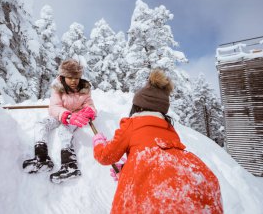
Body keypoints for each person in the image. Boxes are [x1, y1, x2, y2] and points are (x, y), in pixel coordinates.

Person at [92, 69, 223, 214]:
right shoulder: (169, 129)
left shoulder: (132, 124)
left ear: (138, 107)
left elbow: (106, 156)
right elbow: (162, 162)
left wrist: (98, 142)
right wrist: (128, 168)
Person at [23, 59, 96, 183]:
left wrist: (90, 111)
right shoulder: (58, 87)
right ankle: (41, 158)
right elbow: (54, 107)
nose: (74, 81)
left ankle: (70, 166)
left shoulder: (85, 88)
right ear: (63, 76)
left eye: (76, 77)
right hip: (60, 115)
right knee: (41, 124)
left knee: (64, 128)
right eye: (70, 77)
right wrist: (66, 116)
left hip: (75, 118)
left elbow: (89, 105)